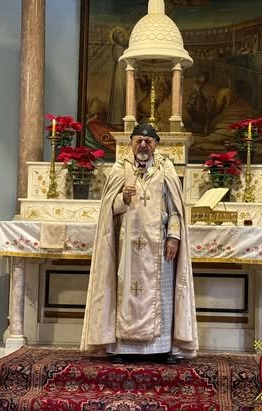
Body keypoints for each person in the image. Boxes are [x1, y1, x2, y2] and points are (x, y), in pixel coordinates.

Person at [80, 124, 198, 362]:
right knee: (126, 294)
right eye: (138, 141)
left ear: (155, 144)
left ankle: (161, 349)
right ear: (131, 143)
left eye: (148, 141)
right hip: (127, 248)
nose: (143, 145)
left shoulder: (166, 169)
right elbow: (108, 209)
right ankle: (123, 349)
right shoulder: (120, 169)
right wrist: (122, 198)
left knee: (161, 296)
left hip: (159, 246)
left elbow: (175, 210)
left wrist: (174, 237)